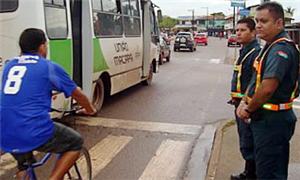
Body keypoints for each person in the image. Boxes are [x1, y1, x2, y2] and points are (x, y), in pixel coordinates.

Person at [0, 28, 97, 180]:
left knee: (24, 165)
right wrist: (90, 109)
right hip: (33, 129)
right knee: (75, 142)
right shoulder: (48, 67)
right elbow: (77, 93)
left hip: (5, 129)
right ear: (42, 46)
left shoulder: (9, 66)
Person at [237, 2, 299, 179]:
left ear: (279, 23)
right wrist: (244, 101)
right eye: (257, 21)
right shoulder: (269, 46)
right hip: (265, 119)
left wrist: (248, 109)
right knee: (263, 168)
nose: (258, 25)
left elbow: (267, 88)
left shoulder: (280, 49)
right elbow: (256, 80)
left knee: (270, 173)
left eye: (263, 21)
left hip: (273, 121)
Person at [229, 18, 260, 180]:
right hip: (239, 104)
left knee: (249, 141)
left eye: (243, 30)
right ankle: (249, 172)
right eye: (237, 30)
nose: (238, 33)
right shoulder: (245, 51)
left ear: (253, 33)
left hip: (247, 106)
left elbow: (255, 83)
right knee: (246, 140)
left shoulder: (254, 53)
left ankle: (251, 175)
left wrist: (246, 104)